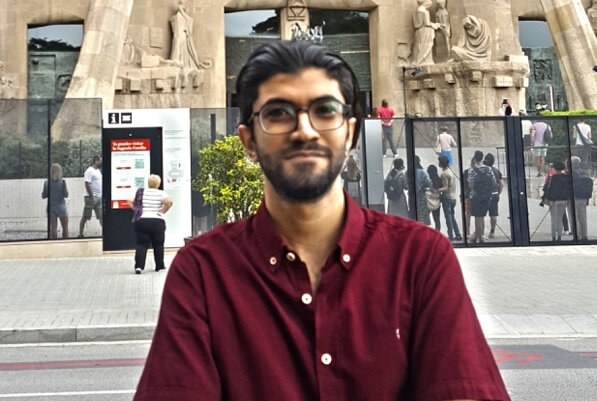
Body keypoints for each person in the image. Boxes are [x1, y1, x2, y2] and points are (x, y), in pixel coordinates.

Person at [134, 40, 509, 401]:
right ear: (248, 142)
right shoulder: (203, 273)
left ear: (351, 132)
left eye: (325, 110)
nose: (304, 130)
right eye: (278, 113)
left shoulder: (420, 259)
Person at [128, 174, 173, 274]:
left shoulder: (141, 192)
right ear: (158, 184)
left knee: (141, 244)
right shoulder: (161, 193)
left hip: (142, 221)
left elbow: (129, 200)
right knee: (158, 244)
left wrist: (137, 210)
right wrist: (162, 212)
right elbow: (169, 202)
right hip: (157, 222)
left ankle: (139, 266)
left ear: (148, 183)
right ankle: (159, 265)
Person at [468, 150, 496, 243]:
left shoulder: (471, 170)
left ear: (474, 158)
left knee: (477, 217)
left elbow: (471, 185)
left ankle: (479, 237)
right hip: (486, 196)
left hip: (476, 196)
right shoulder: (488, 169)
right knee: (482, 216)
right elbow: (493, 182)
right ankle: (479, 236)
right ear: (482, 158)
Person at [541, 161, 570, 242]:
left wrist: (544, 198)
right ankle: (559, 236)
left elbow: (547, 188)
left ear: (555, 168)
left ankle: (554, 237)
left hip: (553, 200)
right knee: (560, 218)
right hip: (563, 199)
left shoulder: (552, 177)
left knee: (554, 218)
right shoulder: (566, 177)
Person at [437, 155, 463, 241]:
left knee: (448, 218)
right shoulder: (451, 171)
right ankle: (457, 233)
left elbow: (445, 188)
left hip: (447, 198)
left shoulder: (444, 174)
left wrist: (436, 190)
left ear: (441, 163)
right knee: (452, 216)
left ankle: (450, 235)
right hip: (453, 197)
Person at [568, 156, 592, 241]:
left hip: (574, 198)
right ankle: (584, 235)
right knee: (583, 218)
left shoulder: (571, 173)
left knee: (574, 217)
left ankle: (576, 235)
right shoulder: (584, 173)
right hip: (584, 198)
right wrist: (587, 198)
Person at [42, 163, 69, 239]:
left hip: (51, 207)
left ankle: (54, 243)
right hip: (61, 207)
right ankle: (65, 243)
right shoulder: (62, 182)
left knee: (53, 228)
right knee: (65, 228)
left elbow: (44, 196)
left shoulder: (47, 182)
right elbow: (66, 195)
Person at [78, 155, 103, 238]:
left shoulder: (98, 171)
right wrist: (91, 195)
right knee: (85, 216)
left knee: (101, 216)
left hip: (99, 197)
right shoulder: (89, 171)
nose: (101, 162)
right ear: (96, 160)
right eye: (100, 160)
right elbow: (87, 183)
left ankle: (105, 233)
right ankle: (80, 234)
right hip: (91, 197)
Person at [412, 0, 440, 65]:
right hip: (425, 31)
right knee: (426, 45)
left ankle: (421, 60)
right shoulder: (424, 11)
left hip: (419, 30)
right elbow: (427, 23)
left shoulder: (417, 11)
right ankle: (423, 61)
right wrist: (435, 25)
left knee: (420, 45)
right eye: (429, 5)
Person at [483, 153, 504, 239]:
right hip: (494, 194)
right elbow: (501, 184)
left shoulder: (483, 171)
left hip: (484, 195)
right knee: (493, 214)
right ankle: (492, 232)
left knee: (481, 215)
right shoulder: (496, 171)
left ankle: (481, 232)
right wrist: (498, 193)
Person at [412, 155, 432, 226]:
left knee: (415, 212)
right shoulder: (423, 172)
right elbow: (429, 183)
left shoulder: (409, 172)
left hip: (412, 196)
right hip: (421, 195)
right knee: (423, 212)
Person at [426, 164, 442, 230]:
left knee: (425, 219)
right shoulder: (439, 180)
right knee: (437, 220)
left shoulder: (427, 180)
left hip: (428, 201)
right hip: (436, 201)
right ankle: (437, 232)